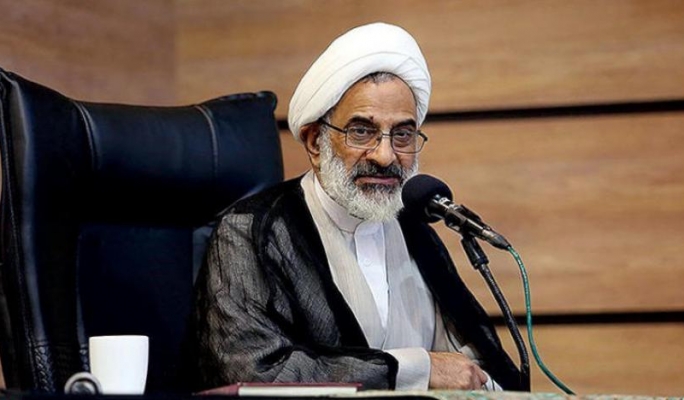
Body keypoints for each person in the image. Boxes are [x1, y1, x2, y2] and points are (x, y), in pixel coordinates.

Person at [191, 22, 521, 392]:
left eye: (402, 134)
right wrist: (414, 370)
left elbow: (474, 365)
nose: (385, 156)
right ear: (315, 142)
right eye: (361, 131)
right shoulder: (253, 232)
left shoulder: (416, 232)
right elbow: (251, 371)